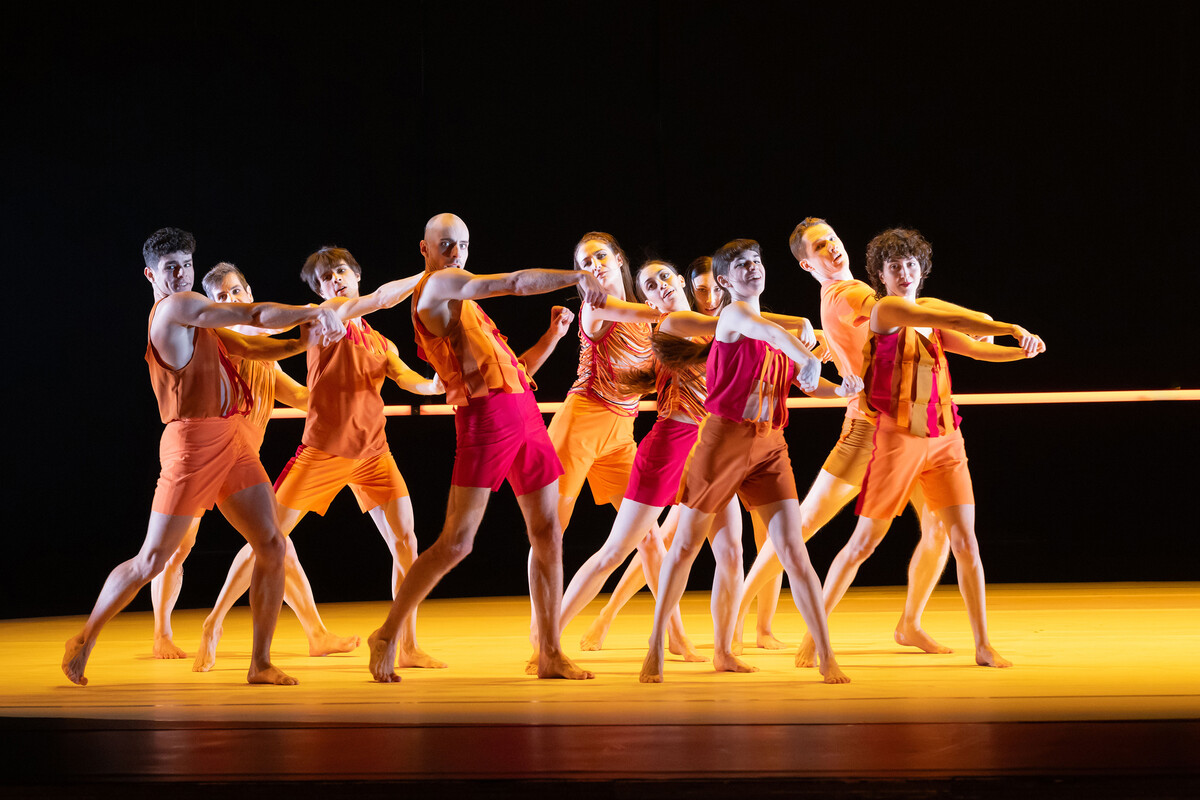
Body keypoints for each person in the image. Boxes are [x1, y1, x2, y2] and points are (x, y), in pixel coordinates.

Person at [62, 227, 344, 686]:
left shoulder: (200, 317)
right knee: (152, 559)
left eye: (186, 264)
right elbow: (251, 313)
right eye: (170, 267)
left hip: (231, 439)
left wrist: (304, 342)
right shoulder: (175, 309)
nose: (181, 274)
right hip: (191, 443)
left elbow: (251, 345)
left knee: (272, 544)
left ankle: (261, 662)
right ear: (151, 275)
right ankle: (86, 637)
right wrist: (317, 311)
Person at [366, 213, 607, 683]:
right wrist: (578, 278)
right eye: (447, 245)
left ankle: (550, 653)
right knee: (457, 541)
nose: (456, 253)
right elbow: (515, 283)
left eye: (463, 245)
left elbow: (512, 369)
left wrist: (552, 337)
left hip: (524, 413)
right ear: (426, 250)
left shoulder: (466, 301)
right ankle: (388, 632)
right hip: (486, 420)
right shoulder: (438, 288)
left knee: (548, 532)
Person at [794, 226, 1044, 669]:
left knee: (964, 541)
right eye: (894, 267)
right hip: (896, 439)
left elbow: (973, 346)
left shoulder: (925, 311)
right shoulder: (887, 311)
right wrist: (1009, 327)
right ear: (882, 277)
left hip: (946, 437)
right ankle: (816, 637)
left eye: (910, 265)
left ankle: (982, 644)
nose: (904, 273)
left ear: (921, 270)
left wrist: (1021, 351)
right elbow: (965, 321)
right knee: (863, 544)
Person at [193, 247, 443, 673]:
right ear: (320, 290)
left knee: (408, 545)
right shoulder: (324, 318)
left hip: (374, 454)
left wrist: (437, 384)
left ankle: (408, 644)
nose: (336, 281)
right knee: (266, 542)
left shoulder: (382, 343)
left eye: (342, 272)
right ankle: (213, 623)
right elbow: (381, 297)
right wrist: (430, 274)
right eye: (327, 278)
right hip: (322, 452)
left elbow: (411, 381)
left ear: (356, 274)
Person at [639, 239, 856, 684]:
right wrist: (805, 352)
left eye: (756, 262)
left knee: (794, 552)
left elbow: (810, 385)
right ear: (724, 281)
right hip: (723, 442)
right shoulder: (734, 316)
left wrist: (843, 390)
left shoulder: (771, 330)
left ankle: (826, 655)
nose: (753, 269)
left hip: (770, 446)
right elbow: (776, 336)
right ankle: (655, 646)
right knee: (684, 548)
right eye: (741, 265)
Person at [149, 262, 310, 659]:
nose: (230, 301)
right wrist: (316, 319)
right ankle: (162, 633)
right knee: (176, 548)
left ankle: (316, 631)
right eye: (220, 298)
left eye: (236, 292)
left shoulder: (266, 362)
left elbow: (304, 397)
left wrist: (357, 389)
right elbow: (255, 330)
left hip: (240, 461)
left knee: (275, 544)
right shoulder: (221, 341)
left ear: (249, 291)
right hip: (203, 454)